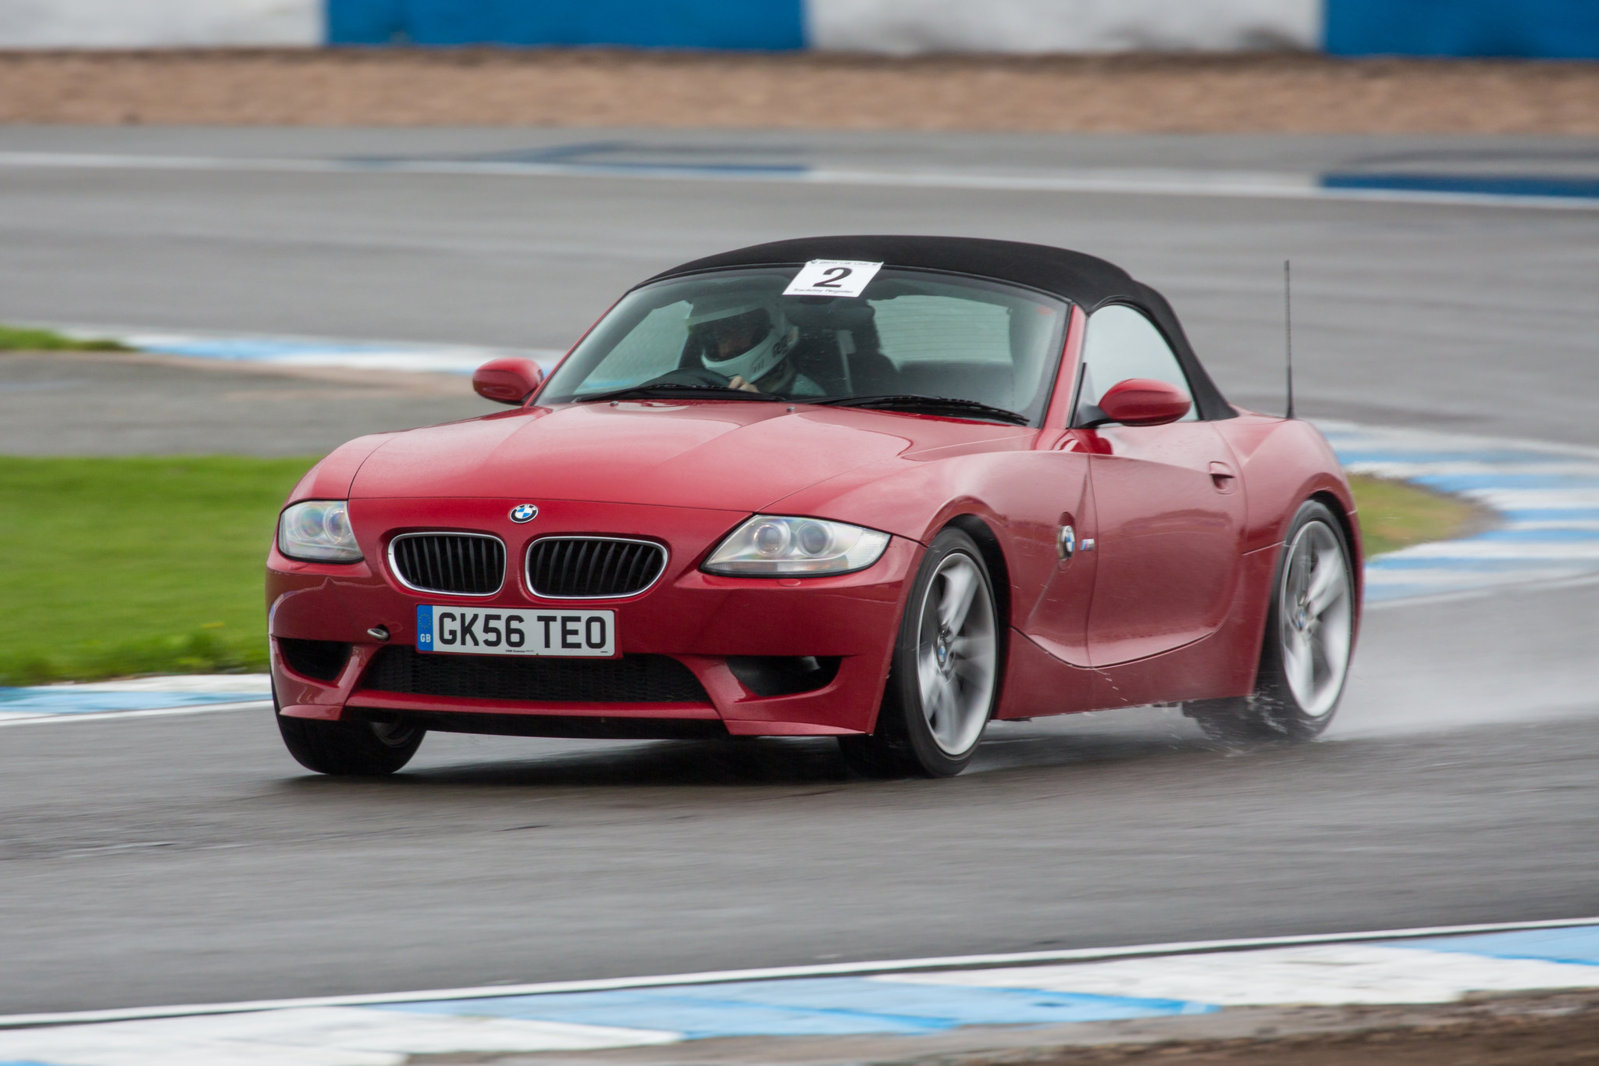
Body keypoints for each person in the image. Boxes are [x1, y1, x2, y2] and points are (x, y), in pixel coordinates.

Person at [686, 292, 823, 396]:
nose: (725, 350)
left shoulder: (804, 393)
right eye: (719, 339)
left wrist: (757, 405)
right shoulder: (700, 389)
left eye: (736, 334)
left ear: (773, 326)